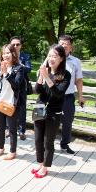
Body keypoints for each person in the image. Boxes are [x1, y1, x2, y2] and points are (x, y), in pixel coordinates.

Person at [31, 44, 71, 178]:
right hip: (39, 108)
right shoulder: (44, 70)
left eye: (54, 56)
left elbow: (59, 93)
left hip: (54, 112)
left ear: (61, 58)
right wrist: (41, 77)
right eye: (49, 56)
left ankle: (45, 167)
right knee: (37, 139)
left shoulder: (66, 75)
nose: (51, 59)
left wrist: (47, 77)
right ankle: (40, 163)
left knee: (48, 141)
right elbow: (37, 90)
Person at [0, 44, 24, 160]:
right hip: (0, 101)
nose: (6, 55)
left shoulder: (19, 68)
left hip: (12, 102)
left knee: (12, 128)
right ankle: (1, 148)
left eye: (8, 53)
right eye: (4, 53)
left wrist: (6, 73)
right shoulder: (0, 66)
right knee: (1, 127)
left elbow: (16, 85)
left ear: (13, 54)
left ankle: (12, 151)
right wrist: (1, 73)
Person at [58, 35, 84, 154]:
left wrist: (80, 96)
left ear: (70, 47)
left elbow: (78, 80)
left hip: (68, 97)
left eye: (66, 44)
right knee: (50, 120)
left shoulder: (76, 61)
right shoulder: (52, 57)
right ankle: (47, 143)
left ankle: (64, 144)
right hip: (53, 96)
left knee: (67, 121)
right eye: (61, 43)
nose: (63, 46)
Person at [10, 36, 31, 140]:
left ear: (21, 46)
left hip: (22, 86)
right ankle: (9, 129)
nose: (15, 46)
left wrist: (19, 65)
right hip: (9, 85)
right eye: (13, 44)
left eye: (17, 44)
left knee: (22, 108)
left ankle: (21, 130)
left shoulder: (25, 56)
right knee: (9, 106)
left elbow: (28, 68)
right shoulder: (8, 55)